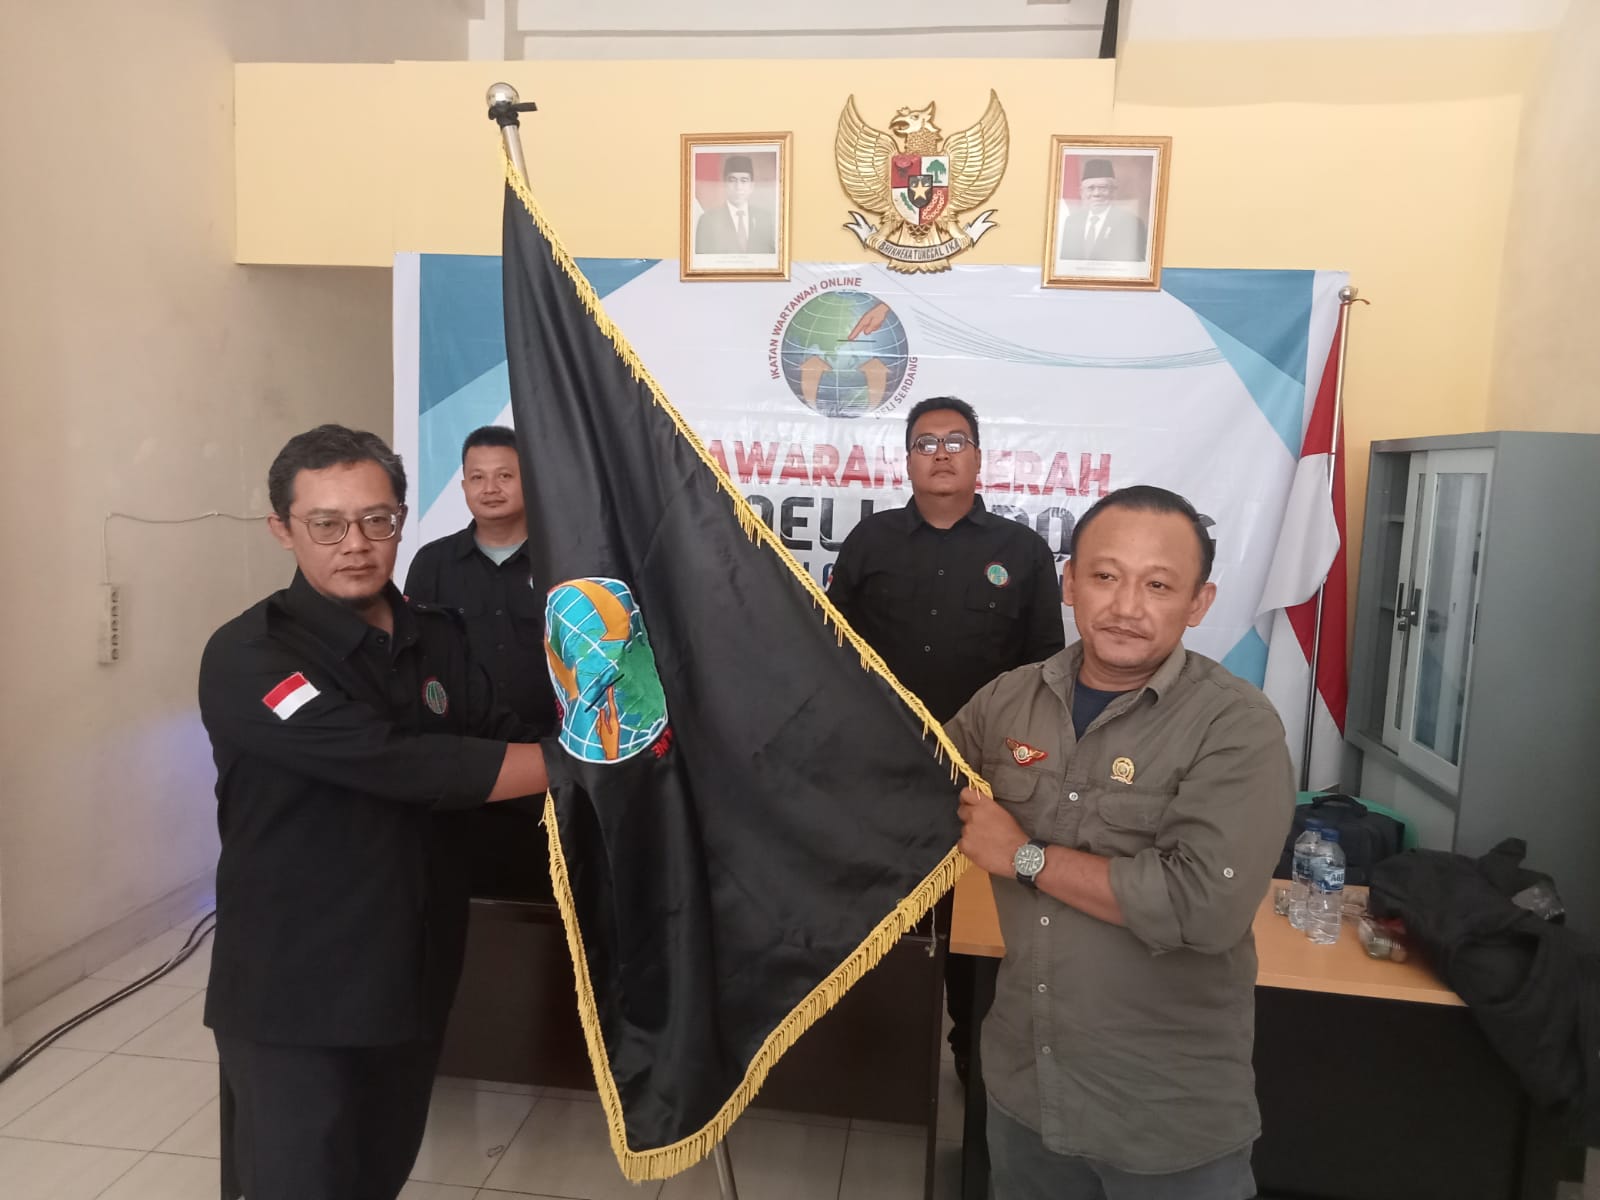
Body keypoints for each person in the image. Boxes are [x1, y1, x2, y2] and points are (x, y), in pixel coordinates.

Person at [198, 424, 552, 1200]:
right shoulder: (249, 654)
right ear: (283, 529)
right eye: (326, 523)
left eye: (376, 519)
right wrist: (581, 766)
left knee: (377, 1172)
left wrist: (616, 733)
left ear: (401, 518)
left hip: (412, 969)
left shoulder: (438, 636)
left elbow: (498, 735)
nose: (355, 544)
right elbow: (395, 764)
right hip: (296, 986)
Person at [948, 485, 1294, 1199]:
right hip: (1024, 1093)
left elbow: (1202, 908)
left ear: (1198, 603)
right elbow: (910, 789)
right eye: (1105, 576)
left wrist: (1025, 857)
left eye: (1158, 585)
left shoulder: (1236, 725)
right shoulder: (1007, 700)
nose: (1127, 606)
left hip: (1164, 1121)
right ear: (1070, 582)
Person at [827, 395, 1065, 1084]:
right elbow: (833, 649)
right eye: (925, 442)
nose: (940, 454)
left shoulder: (1020, 551)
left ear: (979, 457)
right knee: (884, 911)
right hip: (883, 768)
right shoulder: (870, 542)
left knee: (975, 920)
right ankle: (878, 1049)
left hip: (983, 775)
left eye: (955, 441)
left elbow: (1045, 667)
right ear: (906, 460)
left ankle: (970, 1051)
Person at [404, 425, 557, 900]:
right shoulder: (432, 563)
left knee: (552, 899)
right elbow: (415, 658)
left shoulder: (563, 559)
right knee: (468, 901)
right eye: (477, 477)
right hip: (465, 767)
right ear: (464, 485)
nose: (490, 488)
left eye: (505, 475)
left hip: (552, 761)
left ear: (530, 479)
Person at [1054, 157, 1148, 263]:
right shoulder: (1071, 221)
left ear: (1113, 191)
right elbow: (1064, 261)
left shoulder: (1131, 224)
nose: (1096, 193)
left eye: (1103, 188)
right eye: (1090, 188)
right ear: (1081, 192)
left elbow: (1135, 265)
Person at [694, 153, 777, 255]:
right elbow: (702, 258)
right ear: (724, 185)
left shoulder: (765, 218)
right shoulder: (708, 220)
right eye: (732, 180)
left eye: (744, 181)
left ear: (751, 186)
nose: (738, 187)